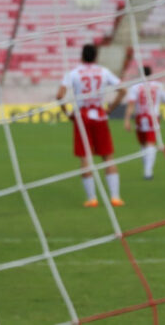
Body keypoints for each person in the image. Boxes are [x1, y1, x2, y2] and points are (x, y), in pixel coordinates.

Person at [56, 43, 127, 208]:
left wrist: (67, 113)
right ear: (96, 57)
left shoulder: (73, 73)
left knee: (85, 157)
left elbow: (59, 95)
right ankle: (115, 197)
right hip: (100, 114)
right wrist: (110, 108)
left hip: (82, 116)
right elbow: (123, 90)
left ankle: (92, 198)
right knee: (107, 156)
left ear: (81, 56)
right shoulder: (103, 71)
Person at [123, 66, 165, 180]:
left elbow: (131, 105)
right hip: (153, 117)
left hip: (140, 117)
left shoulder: (135, 87)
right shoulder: (158, 86)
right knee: (150, 143)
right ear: (150, 74)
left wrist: (126, 120)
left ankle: (147, 170)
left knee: (144, 143)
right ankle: (148, 171)